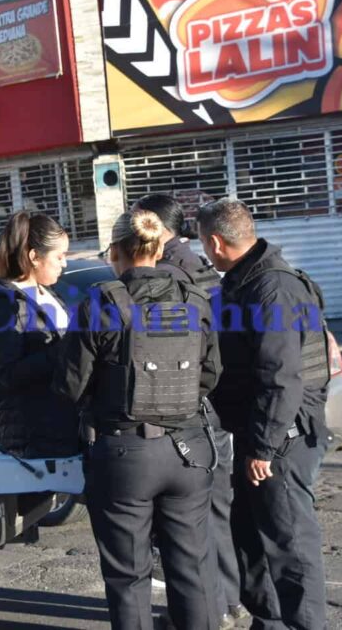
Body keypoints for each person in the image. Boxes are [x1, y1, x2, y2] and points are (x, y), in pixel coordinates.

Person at [54, 210, 221, 630]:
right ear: (160, 248)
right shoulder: (194, 299)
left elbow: (72, 384)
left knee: (128, 577)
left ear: (115, 251)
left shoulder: (101, 302)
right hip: (189, 448)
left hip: (124, 453)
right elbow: (211, 372)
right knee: (192, 570)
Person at [197, 200, 330, 630]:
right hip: (258, 432)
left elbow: (281, 376)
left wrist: (263, 447)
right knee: (252, 539)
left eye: (203, 244)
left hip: (281, 438)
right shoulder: (246, 281)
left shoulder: (273, 287)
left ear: (215, 242)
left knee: (290, 546)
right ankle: (269, 622)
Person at [133, 195, 246, 627]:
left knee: (190, 523)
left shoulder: (168, 273)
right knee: (216, 510)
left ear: (158, 229)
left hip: (189, 409)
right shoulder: (200, 266)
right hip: (215, 405)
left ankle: (211, 608)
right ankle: (228, 601)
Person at [0, 210, 79, 458]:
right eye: (59, 256)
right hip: (32, 437)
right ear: (34, 257)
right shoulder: (1, 302)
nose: (64, 263)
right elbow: (8, 373)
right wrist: (65, 349)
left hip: (66, 427)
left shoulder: (48, 293)